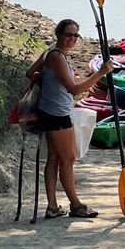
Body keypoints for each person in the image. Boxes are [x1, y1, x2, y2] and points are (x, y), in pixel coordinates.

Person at [26, 18, 107, 218]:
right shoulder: (57, 57)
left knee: (54, 158)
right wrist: (101, 73)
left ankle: (52, 206)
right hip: (56, 113)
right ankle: (76, 205)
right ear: (59, 34)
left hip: (51, 110)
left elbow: (31, 73)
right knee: (67, 158)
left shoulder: (52, 53)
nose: (72, 39)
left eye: (75, 35)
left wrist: (51, 83)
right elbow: (73, 89)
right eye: (68, 34)